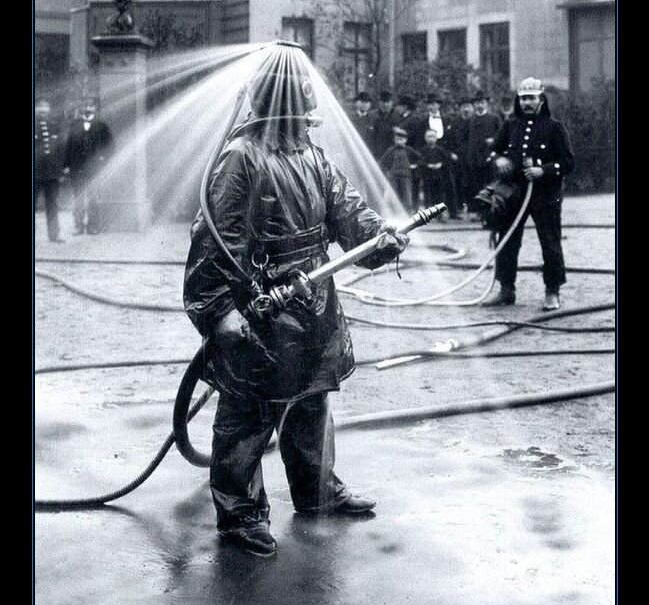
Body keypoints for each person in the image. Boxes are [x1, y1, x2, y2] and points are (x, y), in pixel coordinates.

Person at [183, 46, 409, 557]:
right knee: (247, 410)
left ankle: (317, 491)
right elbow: (212, 244)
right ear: (275, 99)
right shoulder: (240, 160)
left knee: (311, 401)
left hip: (313, 305)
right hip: (260, 306)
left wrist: (379, 237)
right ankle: (239, 514)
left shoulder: (312, 155)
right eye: (298, 97)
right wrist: (220, 312)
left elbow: (347, 211)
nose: (307, 106)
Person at [482, 77, 575, 311]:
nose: (527, 103)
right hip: (514, 193)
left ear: (541, 99)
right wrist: (500, 158)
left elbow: (568, 162)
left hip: (546, 195)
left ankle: (552, 292)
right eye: (523, 98)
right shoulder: (511, 125)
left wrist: (542, 170)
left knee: (550, 242)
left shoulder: (554, 127)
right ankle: (506, 289)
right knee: (507, 241)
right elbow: (493, 151)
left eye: (532, 98)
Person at [63, 103, 114, 235]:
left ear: (95, 109)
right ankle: (78, 226)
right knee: (78, 198)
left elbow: (110, 145)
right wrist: (66, 166)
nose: (87, 109)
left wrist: (103, 159)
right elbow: (68, 146)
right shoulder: (75, 125)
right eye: (85, 107)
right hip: (76, 168)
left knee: (93, 198)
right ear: (82, 109)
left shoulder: (101, 125)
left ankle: (93, 226)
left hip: (94, 169)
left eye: (91, 106)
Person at [467, 91, 501, 217]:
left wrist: (494, 140)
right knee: (474, 185)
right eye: (477, 103)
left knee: (490, 185)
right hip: (474, 158)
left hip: (489, 157)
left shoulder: (494, 118)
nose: (479, 105)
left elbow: (502, 136)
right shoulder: (470, 120)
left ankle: (490, 211)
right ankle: (476, 212)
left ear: (486, 103)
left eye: (482, 102)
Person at [34, 98, 64, 243]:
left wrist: (61, 170)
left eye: (45, 107)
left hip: (52, 173)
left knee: (52, 204)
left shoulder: (54, 126)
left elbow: (60, 150)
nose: (43, 110)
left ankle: (54, 235)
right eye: (39, 107)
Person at [379, 125, 423, 212]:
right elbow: (382, 162)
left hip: (406, 175)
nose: (399, 141)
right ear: (394, 140)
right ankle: (394, 210)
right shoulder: (391, 150)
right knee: (394, 193)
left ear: (405, 140)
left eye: (401, 139)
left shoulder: (409, 150)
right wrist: (387, 171)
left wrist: (414, 165)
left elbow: (420, 158)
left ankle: (407, 210)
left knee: (406, 193)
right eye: (397, 139)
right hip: (394, 175)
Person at [446, 95, 474, 216]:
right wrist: (451, 153)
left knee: (473, 183)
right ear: (460, 109)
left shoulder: (475, 121)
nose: (466, 109)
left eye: (468, 107)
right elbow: (448, 141)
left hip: (473, 158)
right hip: (458, 158)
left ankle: (473, 209)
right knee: (458, 183)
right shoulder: (454, 122)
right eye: (463, 107)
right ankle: (458, 209)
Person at [418, 128, 455, 214]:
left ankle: (439, 213)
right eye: (429, 137)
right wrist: (427, 165)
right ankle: (427, 212)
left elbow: (446, 160)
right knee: (427, 194)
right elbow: (420, 161)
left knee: (439, 194)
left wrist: (440, 164)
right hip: (427, 174)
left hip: (439, 175)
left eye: (433, 136)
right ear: (425, 138)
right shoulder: (423, 150)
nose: (431, 139)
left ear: (436, 138)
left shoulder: (440, 149)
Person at [371, 90, 399, 161]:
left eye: (388, 102)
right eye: (383, 102)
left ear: (392, 102)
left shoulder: (397, 115)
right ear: (379, 103)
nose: (385, 104)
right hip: (377, 150)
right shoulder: (373, 115)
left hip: (393, 151)